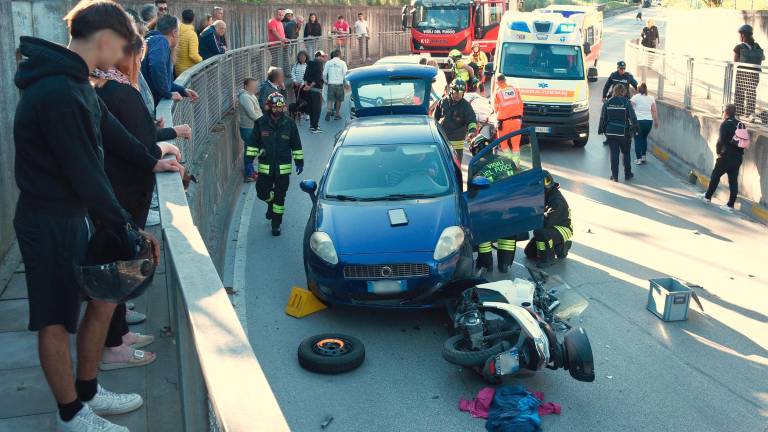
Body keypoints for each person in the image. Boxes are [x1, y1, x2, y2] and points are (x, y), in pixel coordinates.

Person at [13, 1, 180, 430]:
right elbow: (85, 171)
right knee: (55, 318)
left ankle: (86, 392)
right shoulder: (59, 91)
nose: (126, 56)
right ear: (105, 40)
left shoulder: (77, 83)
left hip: (79, 214)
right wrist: (128, 228)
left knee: (103, 299)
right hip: (50, 219)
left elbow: (114, 134)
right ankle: (70, 415)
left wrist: (153, 155)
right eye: (124, 46)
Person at [91, 31, 189, 372]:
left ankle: (118, 331)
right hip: (124, 192)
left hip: (116, 190)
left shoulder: (104, 88)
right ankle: (113, 344)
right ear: (129, 57)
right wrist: (160, 147)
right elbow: (139, 143)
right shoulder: (119, 91)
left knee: (118, 260)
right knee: (119, 261)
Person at [246, 92, 304, 236]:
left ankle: (276, 224)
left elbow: (296, 143)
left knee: (280, 197)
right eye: (275, 108)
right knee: (261, 192)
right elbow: (253, 143)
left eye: (281, 108)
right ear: (269, 107)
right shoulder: (260, 123)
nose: (278, 110)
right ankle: (271, 205)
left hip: (283, 169)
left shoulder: (289, 123)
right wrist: (248, 160)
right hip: (266, 167)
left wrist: (299, 161)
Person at [471, 135, 527, 274]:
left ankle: (486, 264)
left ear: (476, 149)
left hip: (489, 209)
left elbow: (473, 193)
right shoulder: (507, 160)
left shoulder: (476, 165)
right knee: (508, 234)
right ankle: (505, 264)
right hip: (511, 206)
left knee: (483, 235)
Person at [142, 15, 199, 105]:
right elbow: (156, 64)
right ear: (174, 33)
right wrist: (167, 94)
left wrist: (183, 91)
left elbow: (167, 82)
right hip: (148, 103)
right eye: (178, 33)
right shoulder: (161, 40)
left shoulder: (152, 39)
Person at [698, 104, 744, 213]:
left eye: (723, 112)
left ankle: (707, 197)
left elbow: (721, 141)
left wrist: (718, 152)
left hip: (726, 156)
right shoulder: (741, 124)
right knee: (733, 181)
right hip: (738, 157)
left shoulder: (725, 124)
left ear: (726, 113)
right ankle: (730, 205)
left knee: (715, 175)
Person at [524, 171, 573, 268]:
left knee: (540, 232)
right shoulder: (547, 195)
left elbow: (546, 222)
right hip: (552, 227)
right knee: (529, 253)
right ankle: (557, 247)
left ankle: (548, 259)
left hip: (563, 228)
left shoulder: (556, 201)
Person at [599, 85, 639, 182]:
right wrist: (636, 129)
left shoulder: (607, 102)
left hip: (611, 132)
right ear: (624, 92)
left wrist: (601, 130)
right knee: (626, 153)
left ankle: (615, 176)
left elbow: (603, 117)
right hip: (623, 133)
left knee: (614, 154)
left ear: (614, 91)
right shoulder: (626, 102)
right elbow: (632, 117)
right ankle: (627, 174)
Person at [434, 79, 477, 161]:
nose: (458, 95)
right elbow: (434, 119)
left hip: (457, 143)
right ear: (451, 90)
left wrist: (472, 131)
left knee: (455, 166)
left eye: (461, 93)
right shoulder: (443, 102)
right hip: (442, 139)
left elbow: (471, 120)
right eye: (456, 92)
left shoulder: (465, 106)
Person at [733, 24, 764, 122]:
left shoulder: (739, 47)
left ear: (743, 35)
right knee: (751, 93)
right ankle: (750, 114)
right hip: (754, 74)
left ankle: (737, 114)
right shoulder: (757, 46)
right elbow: (762, 57)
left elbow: (735, 60)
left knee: (739, 93)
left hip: (742, 73)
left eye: (740, 34)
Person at [492, 74, 523, 156]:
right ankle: (516, 164)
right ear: (505, 80)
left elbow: (495, 109)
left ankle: (510, 161)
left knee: (503, 144)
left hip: (504, 123)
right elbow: (521, 104)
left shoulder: (498, 93)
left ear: (498, 82)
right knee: (516, 145)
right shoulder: (515, 89)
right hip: (517, 121)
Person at [239, 78, 262, 183]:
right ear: (246, 86)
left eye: (255, 85)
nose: (255, 87)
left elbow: (258, 111)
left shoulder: (251, 95)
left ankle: (251, 172)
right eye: (253, 85)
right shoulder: (244, 97)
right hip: (248, 128)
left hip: (253, 127)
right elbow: (252, 113)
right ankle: (249, 175)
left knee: (252, 150)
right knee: (250, 151)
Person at [630, 82, 659, 164]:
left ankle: (638, 159)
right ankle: (644, 157)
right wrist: (656, 121)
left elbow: (630, 108)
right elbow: (654, 110)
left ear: (638, 89)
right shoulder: (651, 98)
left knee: (637, 139)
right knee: (644, 138)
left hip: (638, 121)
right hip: (648, 122)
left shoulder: (635, 97)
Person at [304, 50, 327, 133]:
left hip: (308, 91)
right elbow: (317, 78)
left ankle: (311, 126)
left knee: (311, 108)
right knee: (317, 109)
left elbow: (305, 76)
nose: (324, 58)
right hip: (316, 90)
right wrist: (310, 86)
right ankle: (315, 127)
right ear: (319, 56)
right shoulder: (319, 64)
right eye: (323, 57)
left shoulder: (309, 64)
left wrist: (307, 86)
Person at [323, 49, 348, 121]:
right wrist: (346, 83)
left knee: (330, 99)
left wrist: (326, 81)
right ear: (339, 55)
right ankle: (337, 114)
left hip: (331, 84)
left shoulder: (328, 63)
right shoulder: (342, 63)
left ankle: (328, 111)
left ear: (333, 55)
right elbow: (345, 74)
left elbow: (324, 74)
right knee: (338, 100)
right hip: (339, 84)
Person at [175, 9, 202, 76]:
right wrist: (201, 60)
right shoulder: (192, 34)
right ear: (193, 19)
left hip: (178, 70)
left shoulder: (176, 32)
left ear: (182, 18)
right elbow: (193, 55)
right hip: (189, 72)